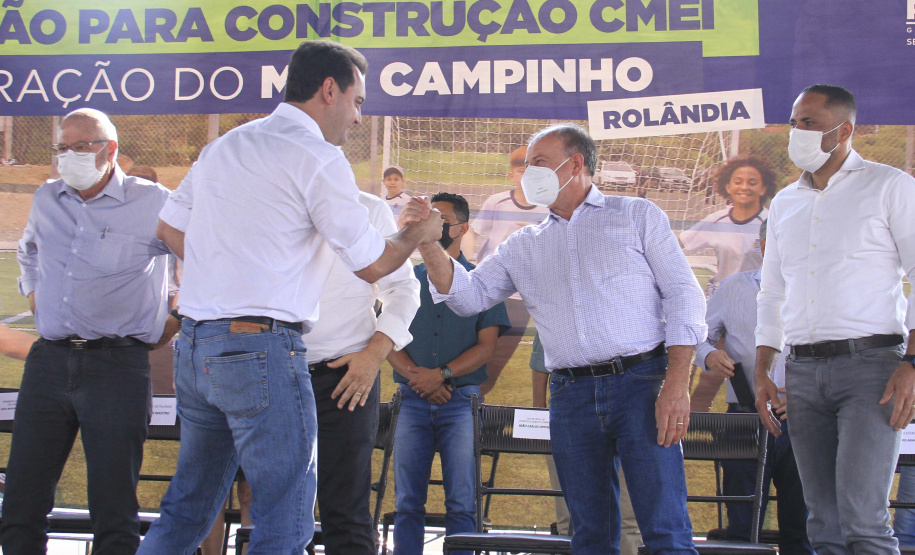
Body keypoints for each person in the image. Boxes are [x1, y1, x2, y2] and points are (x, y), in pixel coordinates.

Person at [139, 40, 443, 554]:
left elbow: (169, 227)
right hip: (262, 350)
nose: (358, 117)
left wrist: (228, 268)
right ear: (330, 90)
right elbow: (374, 263)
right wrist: (419, 233)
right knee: (285, 512)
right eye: (359, 101)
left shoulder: (227, 145)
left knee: (189, 508)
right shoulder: (317, 157)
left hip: (197, 346)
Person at [409, 124, 707, 555]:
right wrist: (428, 243)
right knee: (588, 535)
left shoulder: (637, 215)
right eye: (527, 165)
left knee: (664, 530)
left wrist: (676, 384)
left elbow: (684, 295)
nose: (529, 173)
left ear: (577, 164)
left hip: (642, 385)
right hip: (570, 396)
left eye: (540, 163)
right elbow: (465, 296)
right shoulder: (522, 245)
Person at [1, 108, 178, 554]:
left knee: (114, 510)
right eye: (63, 147)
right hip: (50, 361)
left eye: (82, 146)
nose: (69, 156)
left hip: (117, 364)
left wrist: (174, 321)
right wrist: (34, 292)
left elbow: (204, 261)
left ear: (110, 149)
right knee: (21, 503)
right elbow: (29, 252)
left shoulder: (154, 200)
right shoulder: (47, 197)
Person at [754, 84, 915, 555]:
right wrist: (764, 369)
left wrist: (913, 363)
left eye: (808, 123)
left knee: (863, 521)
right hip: (801, 373)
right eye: (793, 122)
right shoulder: (785, 202)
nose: (795, 132)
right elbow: (773, 292)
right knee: (821, 523)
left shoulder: (891, 186)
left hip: (873, 368)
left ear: (843, 130)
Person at [387, 192, 510, 555]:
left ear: (462, 227)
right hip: (411, 399)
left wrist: (440, 375)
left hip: (461, 403)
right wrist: (419, 379)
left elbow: (487, 347)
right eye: (432, 218)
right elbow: (388, 339)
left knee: (462, 500)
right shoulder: (405, 279)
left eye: (442, 219)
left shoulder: (483, 282)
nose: (435, 225)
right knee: (407, 499)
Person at [305, 190, 421, 553]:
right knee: (277, 507)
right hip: (274, 370)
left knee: (346, 510)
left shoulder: (369, 208)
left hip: (346, 377)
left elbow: (403, 287)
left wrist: (374, 354)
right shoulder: (272, 199)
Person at [696, 220, 812, 554]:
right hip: (744, 420)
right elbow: (696, 335)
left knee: (803, 526)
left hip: (805, 421)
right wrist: (709, 354)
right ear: (761, 247)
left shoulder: (822, 295)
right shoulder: (733, 289)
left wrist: (807, 398)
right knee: (742, 528)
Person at [531, 333, 644, 553]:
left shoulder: (635, 307)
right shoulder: (557, 307)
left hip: (629, 416)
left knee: (628, 518)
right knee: (570, 517)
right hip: (570, 416)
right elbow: (540, 363)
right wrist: (541, 413)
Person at [681, 157, 777, 411]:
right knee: (696, 366)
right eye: (738, 181)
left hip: (750, 308)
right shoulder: (717, 219)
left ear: (763, 188)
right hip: (720, 301)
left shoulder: (772, 222)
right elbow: (681, 245)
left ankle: (726, 431)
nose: (744, 187)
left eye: (752, 182)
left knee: (714, 380)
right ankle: (691, 433)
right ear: (728, 186)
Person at [463, 146, 549, 395]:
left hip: (520, 297)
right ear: (512, 174)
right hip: (489, 294)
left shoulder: (548, 208)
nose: (526, 177)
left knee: (495, 364)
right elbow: (472, 230)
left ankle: (475, 413)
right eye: (521, 171)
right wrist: (471, 260)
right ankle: (462, 412)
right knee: (472, 353)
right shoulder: (497, 201)